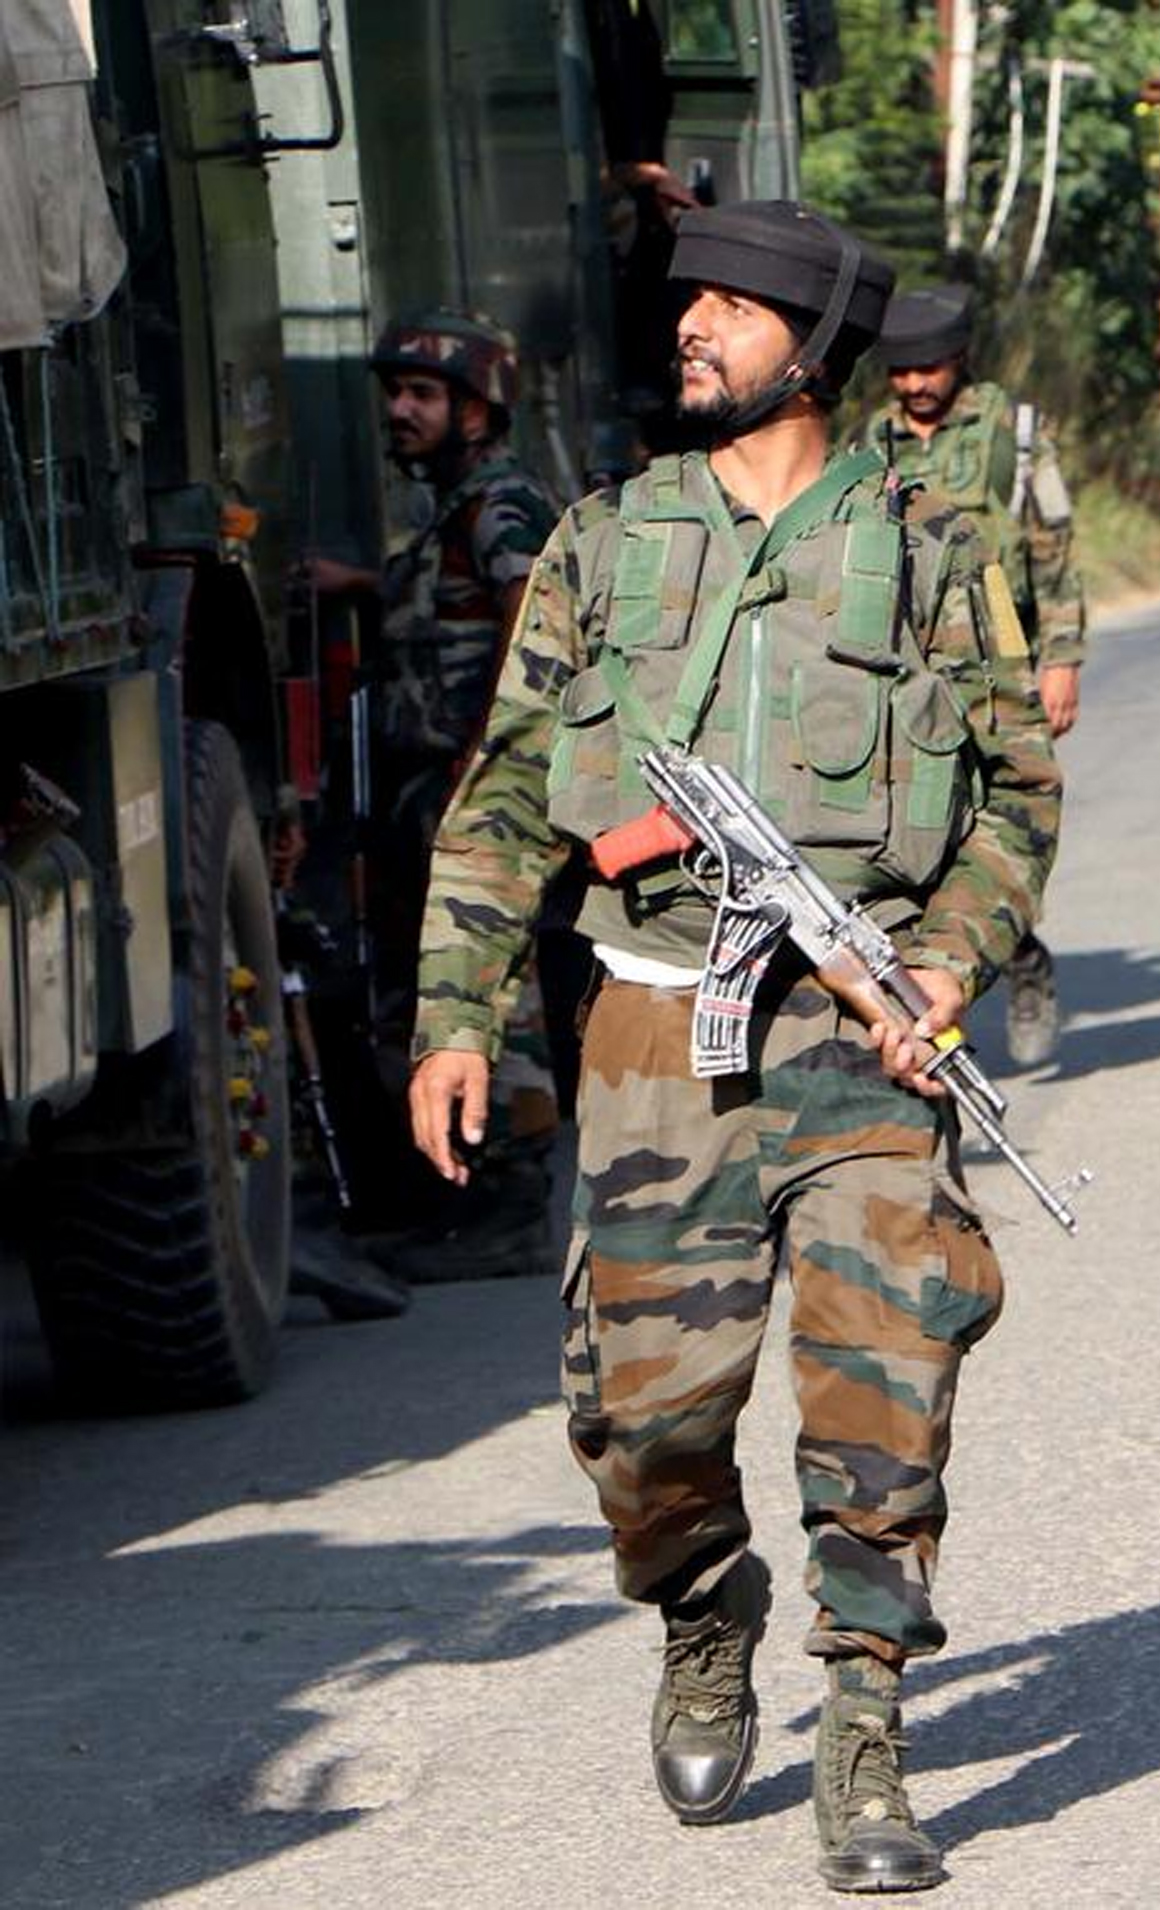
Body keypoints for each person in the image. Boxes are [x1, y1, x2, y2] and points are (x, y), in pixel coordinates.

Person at [405, 202, 1062, 1894]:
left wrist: (951, 955)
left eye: (731, 304)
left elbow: (1014, 794)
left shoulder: (937, 539)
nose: (691, 323)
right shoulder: (606, 540)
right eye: (690, 298)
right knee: (647, 1421)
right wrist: (454, 1017)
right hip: (650, 1029)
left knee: (886, 1388)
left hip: (864, 1044)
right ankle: (705, 1608)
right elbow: (501, 796)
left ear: (810, 347)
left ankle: (865, 1735)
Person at [296, 309, 564, 1278]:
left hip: (478, 785)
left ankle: (518, 1204)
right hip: (434, 786)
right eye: (394, 395)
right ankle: (460, 1191)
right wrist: (365, 584)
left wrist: (493, 759)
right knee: (440, 983)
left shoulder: (500, 505)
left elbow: (535, 620)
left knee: (499, 982)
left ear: (478, 409)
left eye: (422, 395)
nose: (399, 411)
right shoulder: (455, 507)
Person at [860, 284, 1086, 1068]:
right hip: (911, 668)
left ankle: (1023, 965)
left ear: (959, 359)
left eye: (928, 367)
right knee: (924, 832)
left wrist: (1062, 658)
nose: (915, 384)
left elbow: (1053, 547)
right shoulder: (873, 441)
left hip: (1000, 665)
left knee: (996, 828)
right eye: (901, 371)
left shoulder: (1016, 436)